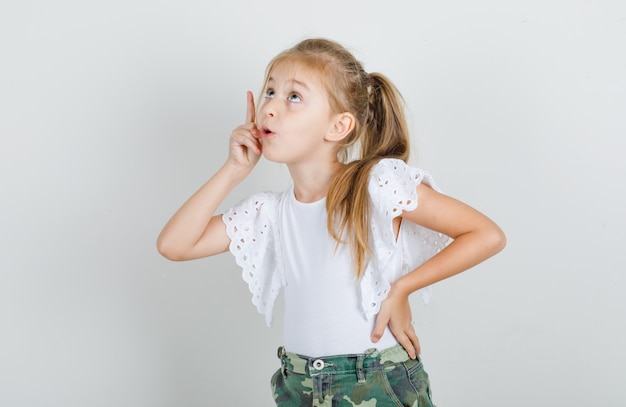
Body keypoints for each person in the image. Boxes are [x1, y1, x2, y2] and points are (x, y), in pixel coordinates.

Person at [157, 38, 506, 406]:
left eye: (294, 97)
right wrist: (233, 170)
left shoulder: (376, 185)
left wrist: (401, 289)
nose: (270, 108)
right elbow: (175, 245)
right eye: (270, 91)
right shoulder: (270, 212)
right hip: (298, 384)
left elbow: (486, 235)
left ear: (338, 126)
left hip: (373, 381)